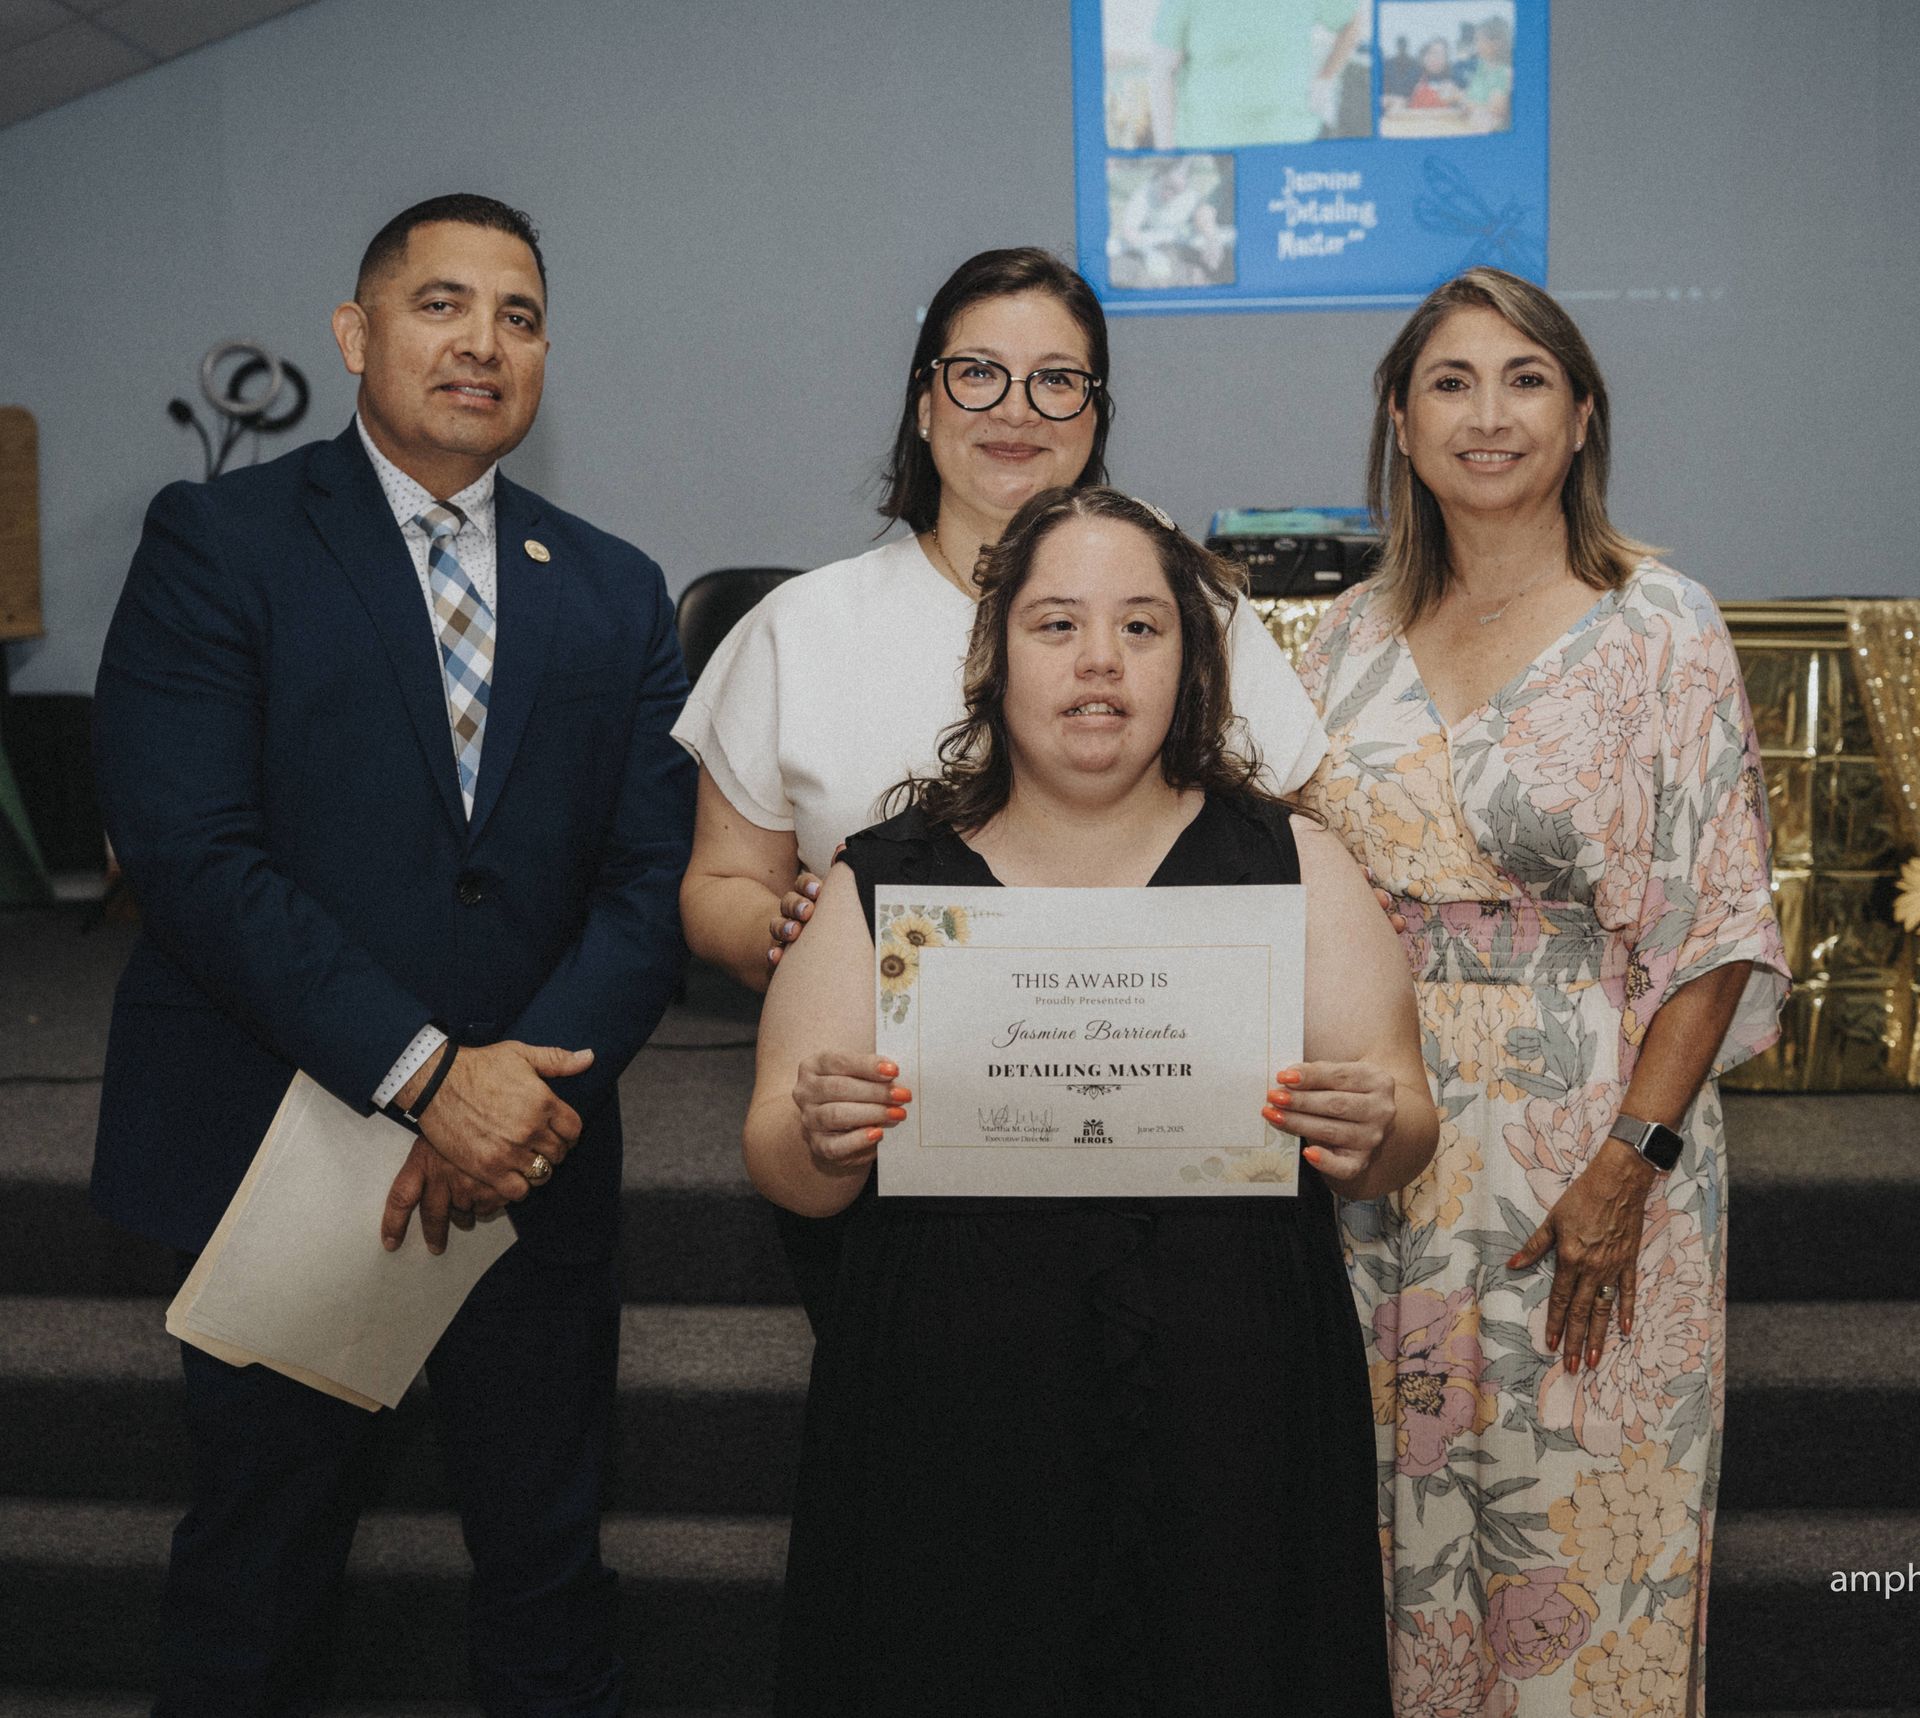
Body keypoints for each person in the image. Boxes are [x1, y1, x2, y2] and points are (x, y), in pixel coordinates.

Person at [91, 194, 695, 1714]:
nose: (482, 342)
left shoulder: (616, 585)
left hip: (535, 1163)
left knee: (548, 1569)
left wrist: (516, 1098)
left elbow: (645, 882)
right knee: (259, 1569)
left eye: (519, 314)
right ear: (357, 334)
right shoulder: (217, 540)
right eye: (440, 305)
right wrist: (429, 1075)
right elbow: (192, 852)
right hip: (281, 1135)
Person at [746, 485, 1438, 1716]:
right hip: (954, 1403)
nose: (1100, 661)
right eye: (1057, 624)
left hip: (1235, 1397)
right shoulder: (883, 877)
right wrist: (821, 1133)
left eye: (1143, 626)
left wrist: (1373, 1128)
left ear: (1193, 661)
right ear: (992, 653)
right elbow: (785, 1166)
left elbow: (1401, 1130)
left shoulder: (1292, 861)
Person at [1295, 267, 1787, 1717]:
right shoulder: (1341, 643)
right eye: (1450, 379)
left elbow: (1718, 922)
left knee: (1579, 1531)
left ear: (1580, 418)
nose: (1488, 412)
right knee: (1398, 1529)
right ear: (1400, 416)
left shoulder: (1659, 624)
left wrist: (1628, 1163)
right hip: (1381, 1149)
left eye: (1525, 378)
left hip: (1597, 1138)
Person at [674, 248, 1327, 1324]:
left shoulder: (1193, 613)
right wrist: (789, 933)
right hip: (897, 1160)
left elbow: (1288, 854)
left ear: (1095, 411)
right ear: (924, 401)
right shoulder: (801, 629)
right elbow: (716, 886)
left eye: (1057, 379)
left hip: (1180, 1160)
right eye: (978, 372)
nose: (1016, 409)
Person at [1147, 0, 1364, 148]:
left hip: (1294, 140)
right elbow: (1162, 72)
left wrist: (1324, 80)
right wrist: (1167, 150)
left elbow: (1352, 24)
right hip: (1211, 148)